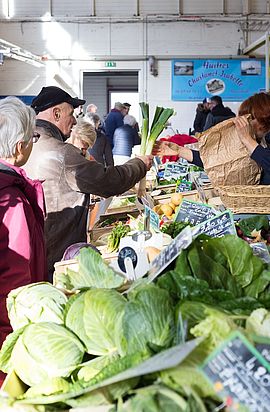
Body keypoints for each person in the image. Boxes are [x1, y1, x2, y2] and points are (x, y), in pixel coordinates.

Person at [24, 86, 153, 276]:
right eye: (71, 113)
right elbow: (109, 181)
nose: (75, 120)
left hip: (35, 252)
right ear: (56, 113)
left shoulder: (27, 144)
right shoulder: (61, 152)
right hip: (58, 255)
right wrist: (139, 164)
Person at [0, 97, 47, 362]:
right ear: (20, 146)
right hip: (8, 331)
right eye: (33, 138)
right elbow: (15, 279)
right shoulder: (11, 200)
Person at [152, 92, 270, 185]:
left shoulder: (256, 141)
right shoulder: (255, 140)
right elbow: (216, 160)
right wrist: (179, 150)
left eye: (250, 118)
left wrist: (247, 139)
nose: (245, 124)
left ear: (264, 118)